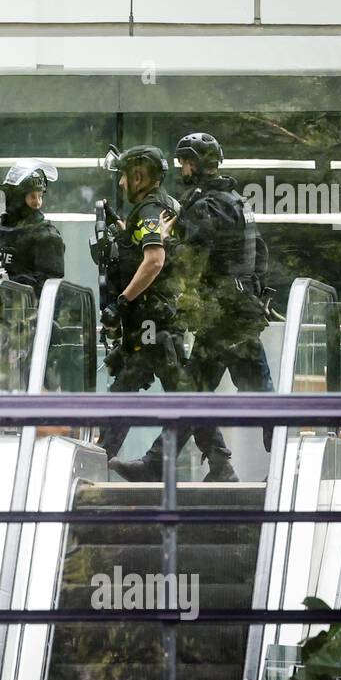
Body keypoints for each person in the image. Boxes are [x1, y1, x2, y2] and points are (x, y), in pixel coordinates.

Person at [110, 133, 274, 483]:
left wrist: (165, 241)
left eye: (185, 162)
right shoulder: (235, 201)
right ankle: (200, 466)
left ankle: (291, 466)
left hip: (226, 317)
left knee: (263, 400)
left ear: (195, 164)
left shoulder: (206, 206)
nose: (182, 168)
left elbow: (186, 260)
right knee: (194, 395)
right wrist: (253, 293)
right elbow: (260, 253)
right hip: (229, 313)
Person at [92, 146, 203, 465]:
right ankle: (218, 460)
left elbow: (154, 260)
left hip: (154, 321)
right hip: (158, 319)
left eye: (124, 177)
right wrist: (120, 228)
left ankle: (105, 456)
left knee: (134, 392)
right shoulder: (161, 206)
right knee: (179, 397)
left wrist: (122, 302)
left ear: (139, 176)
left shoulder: (150, 209)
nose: (122, 184)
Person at [0, 160, 65, 293]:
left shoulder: (47, 237)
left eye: (40, 196)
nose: (38, 203)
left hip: (24, 311)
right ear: (16, 197)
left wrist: (10, 282)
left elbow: (49, 288)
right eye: (32, 196)